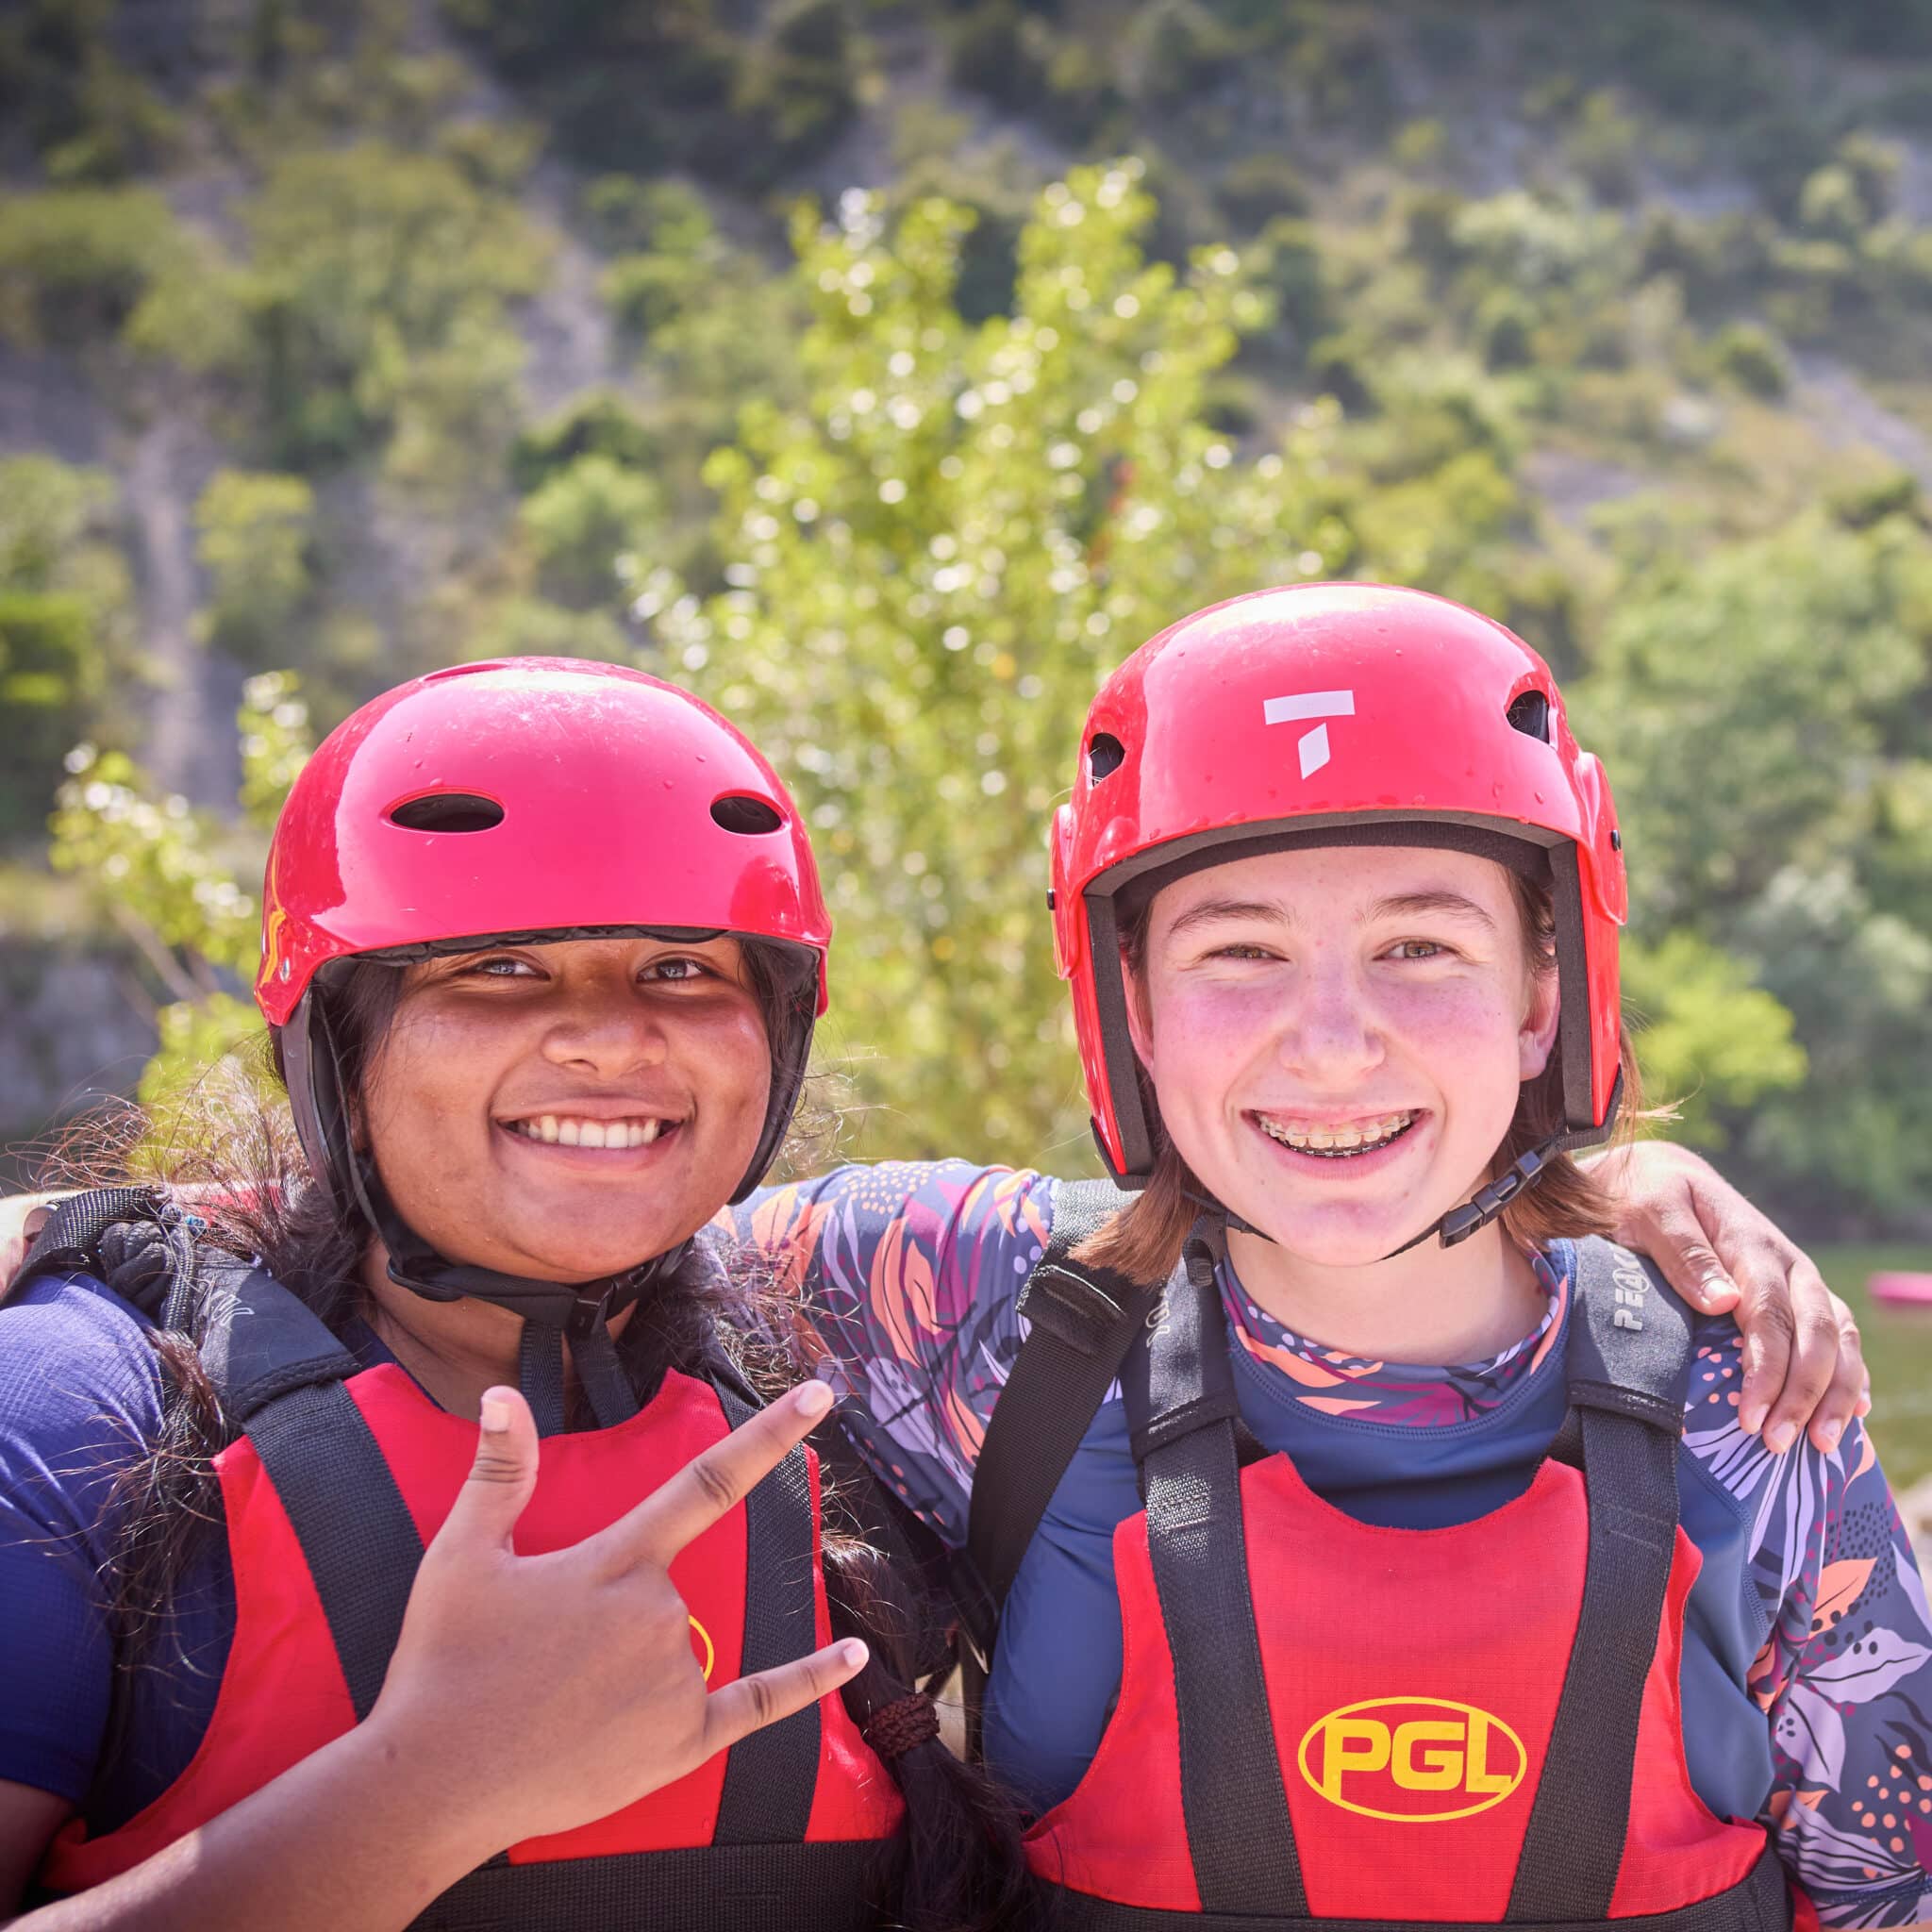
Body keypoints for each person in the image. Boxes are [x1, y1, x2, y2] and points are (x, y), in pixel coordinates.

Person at [719, 586, 1930, 1927]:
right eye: (1241, 953)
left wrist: (1623, 1182)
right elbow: (563, 1235)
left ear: (1541, 997)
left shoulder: (1749, 1391)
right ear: (1134, 1009)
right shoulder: (965, 1301)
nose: (1335, 1042)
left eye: (1419, 946)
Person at [0, 661, 1024, 1929]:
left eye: (683, 971)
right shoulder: (73, 1411)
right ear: (339, 1042)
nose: (609, 1037)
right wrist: (429, 1791)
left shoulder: (866, 1354)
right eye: (497, 968)